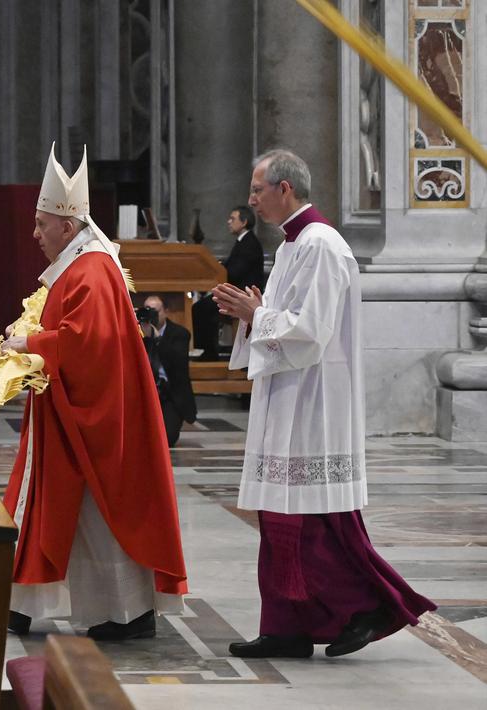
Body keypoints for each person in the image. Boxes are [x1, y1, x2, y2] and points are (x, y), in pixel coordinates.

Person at [213, 149, 436, 659]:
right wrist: (253, 314)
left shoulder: (322, 246)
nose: (250, 199)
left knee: (312, 522)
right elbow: (288, 318)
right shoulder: (294, 246)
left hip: (315, 402)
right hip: (291, 394)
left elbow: (312, 331)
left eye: (257, 189)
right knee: (280, 518)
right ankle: (287, 628)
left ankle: (366, 607)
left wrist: (258, 314)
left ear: (285, 188)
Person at [0, 143, 187, 641]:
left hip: (95, 418)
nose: (35, 234)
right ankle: (33, 604)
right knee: (60, 511)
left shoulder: (92, 269)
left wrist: (32, 344)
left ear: (67, 225)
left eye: (41, 224)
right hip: (66, 412)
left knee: (98, 513)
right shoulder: (81, 263)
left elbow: (92, 344)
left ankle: (125, 614)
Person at [193, 205, 264, 360]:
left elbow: (234, 272)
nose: (228, 222)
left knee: (200, 310)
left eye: (233, 219)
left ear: (244, 222)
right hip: (236, 292)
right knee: (201, 308)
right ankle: (208, 352)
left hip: (242, 296)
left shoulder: (249, 243)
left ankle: (209, 355)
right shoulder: (243, 241)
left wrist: (218, 268)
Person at [141, 294, 196, 446]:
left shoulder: (180, 334)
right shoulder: (137, 333)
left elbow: (176, 362)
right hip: (144, 393)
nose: (151, 316)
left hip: (170, 394)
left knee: (166, 438)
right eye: (147, 312)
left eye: (155, 312)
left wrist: (156, 338)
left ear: (165, 311)